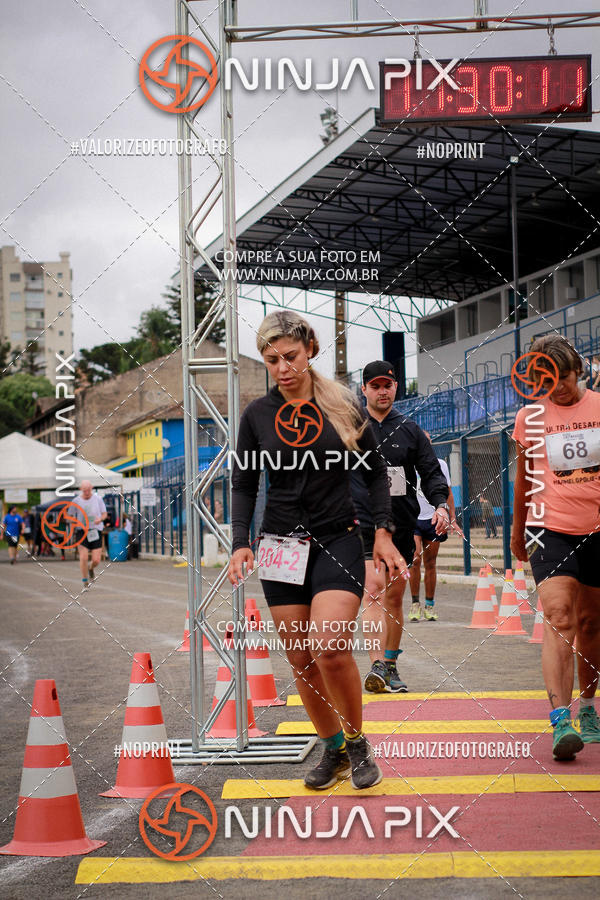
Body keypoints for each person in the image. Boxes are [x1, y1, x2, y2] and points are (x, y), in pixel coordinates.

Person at [228, 312, 406, 791]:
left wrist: (383, 532)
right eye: (272, 360)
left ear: (309, 349)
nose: (283, 368)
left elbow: (374, 474)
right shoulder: (256, 416)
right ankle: (332, 752)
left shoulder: (344, 405)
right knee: (300, 658)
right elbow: (244, 483)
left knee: (329, 647)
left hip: (338, 538)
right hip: (281, 546)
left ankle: (357, 743)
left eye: (291, 356)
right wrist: (240, 542)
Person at [511, 333, 600, 761]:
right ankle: (560, 719)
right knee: (559, 615)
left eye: (565, 377)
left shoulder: (599, 407)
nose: (559, 387)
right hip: (548, 526)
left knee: (591, 624)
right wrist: (516, 531)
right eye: (549, 379)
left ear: (577, 370)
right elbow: (524, 479)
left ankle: (588, 705)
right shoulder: (529, 417)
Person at [350, 363, 450, 691]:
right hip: (364, 523)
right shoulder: (350, 428)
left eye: (388, 385)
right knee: (373, 592)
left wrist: (439, 506)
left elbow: (431, 472)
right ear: (363, 389)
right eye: (375, 385)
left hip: (402, 524)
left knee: (393, 598)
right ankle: (377, 664)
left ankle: (389, 665)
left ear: (395, 388)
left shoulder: (410, 430)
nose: (383, 391)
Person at [409, 435, 456, 622]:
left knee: (430, 563)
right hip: (413, 518)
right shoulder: (408, 463)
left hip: (433, 518)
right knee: (414, 559)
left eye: (428, 441)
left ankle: (429, 605)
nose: (424, 443)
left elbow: (448, 492)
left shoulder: (440, 464)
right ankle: (414, 604)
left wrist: (452, 517)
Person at [68, 481, 107, 589]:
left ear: (92, 488)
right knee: (84, 557)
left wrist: (100, 519)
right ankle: (85, 580)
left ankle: (91, 568)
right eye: (84, 490)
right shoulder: (76, 500)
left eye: (88, 490)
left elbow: (104, 514)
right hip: (81, 531)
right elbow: (69, 516)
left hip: (95, 530)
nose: (86, 492)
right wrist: (75, 522)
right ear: (81, 489)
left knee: (96, 560)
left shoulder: (98, 499)